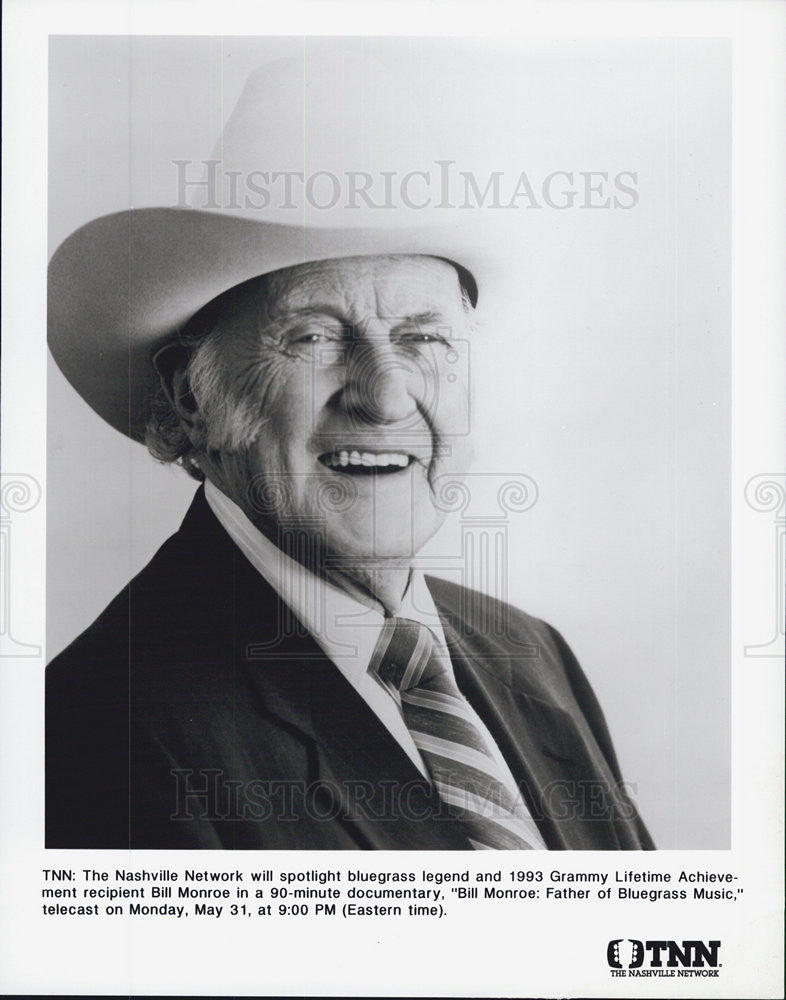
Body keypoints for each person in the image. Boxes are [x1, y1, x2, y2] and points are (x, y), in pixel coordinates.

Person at [46, 51, 653, 851]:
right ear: (192, 400)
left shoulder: (533, 655)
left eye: (425, 337)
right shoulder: (102, 726)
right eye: (315, 337)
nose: (387, 395)